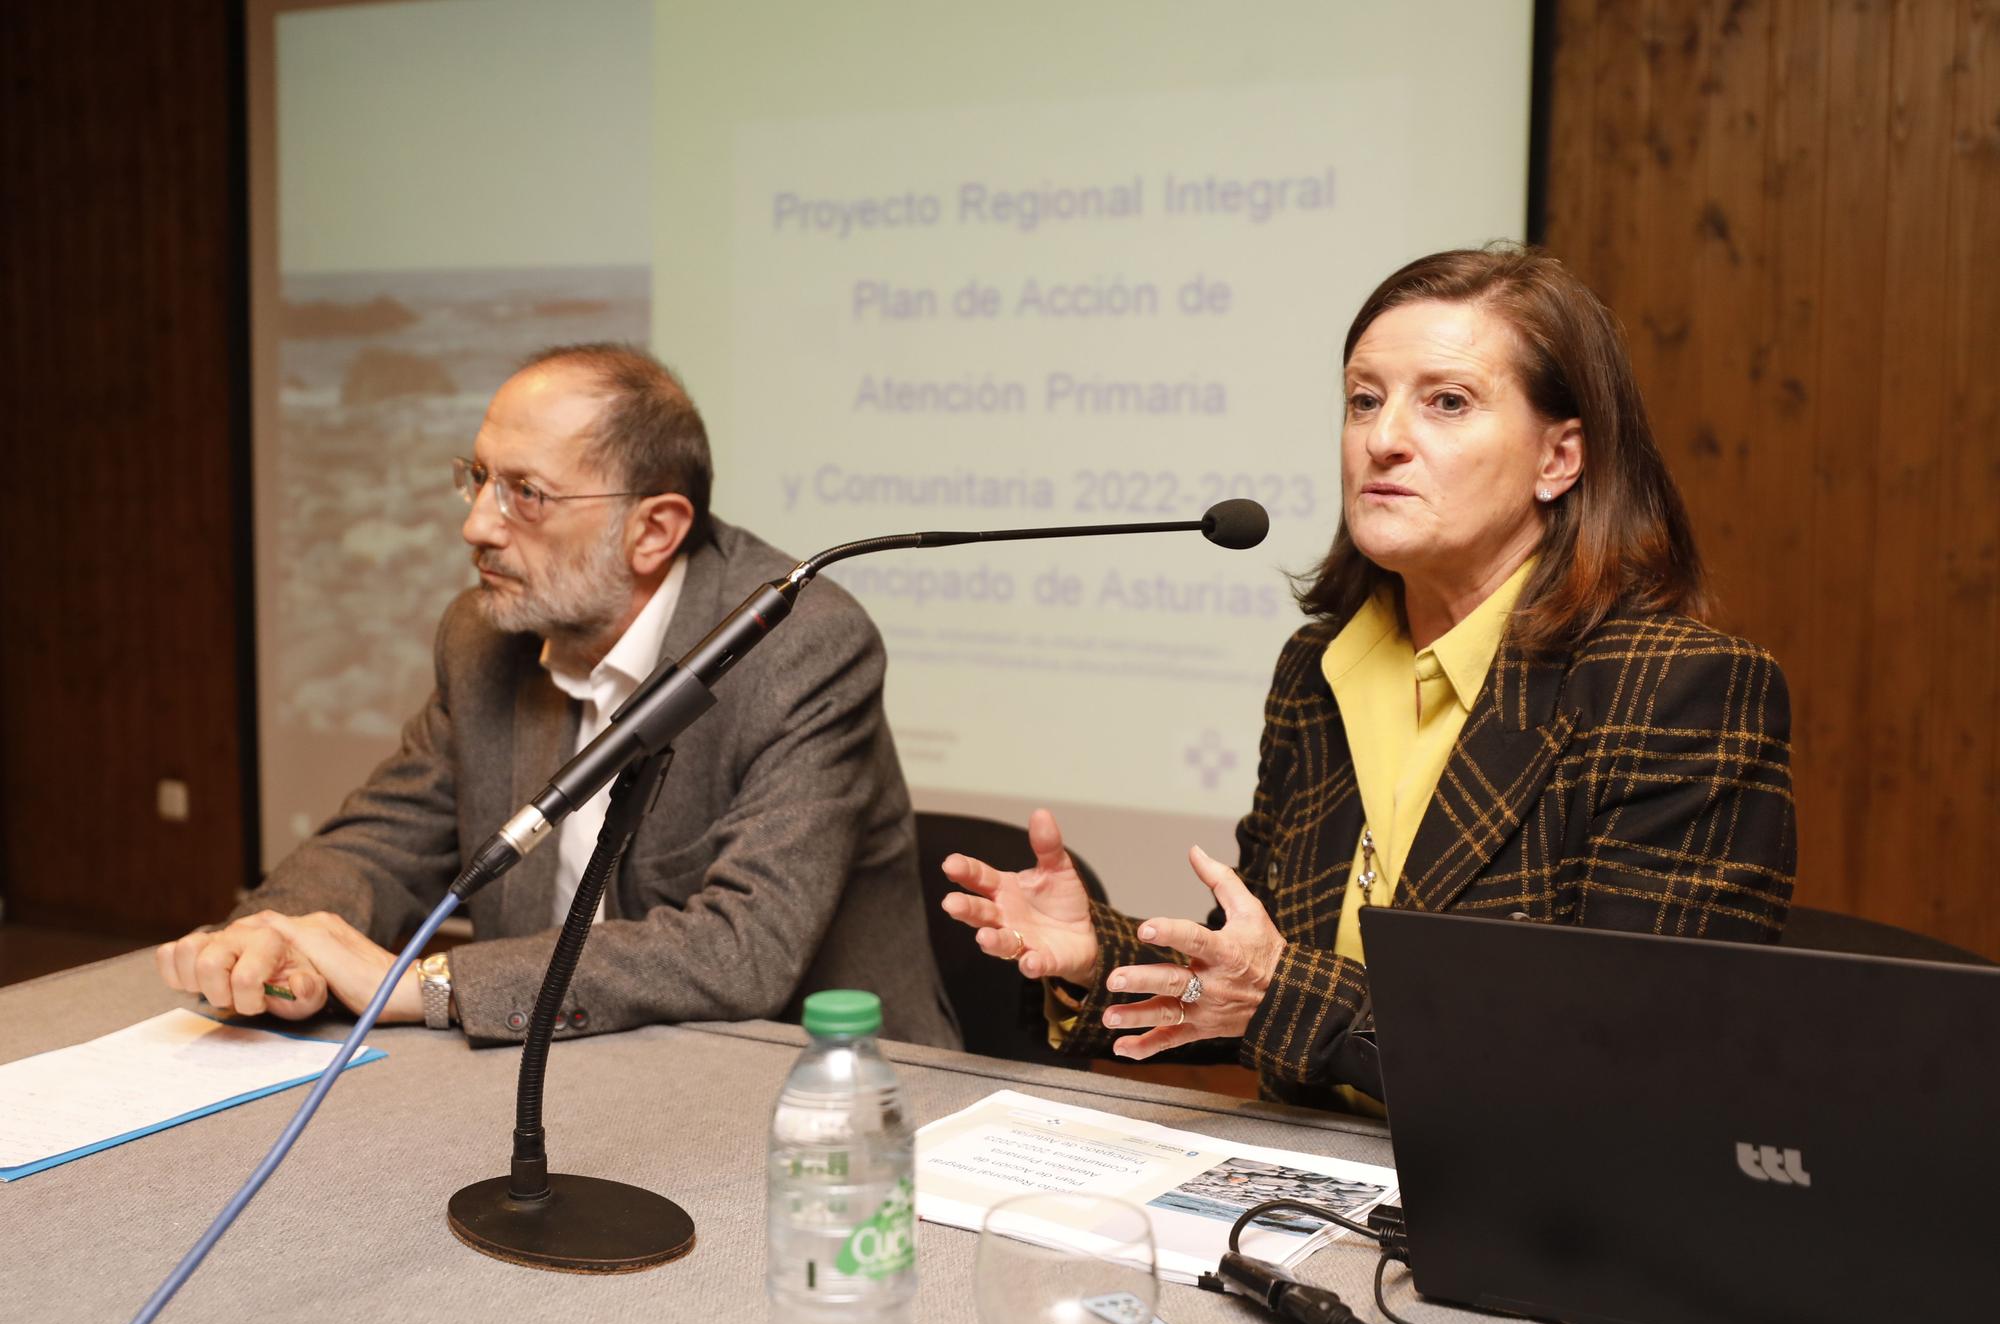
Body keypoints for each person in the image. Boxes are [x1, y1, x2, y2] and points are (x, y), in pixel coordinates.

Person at [940, 246, 1795, 1108]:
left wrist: (1279, 992)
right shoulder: (1320, 668)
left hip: (1531, 1215)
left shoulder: (1682, 691)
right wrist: (1098, 953)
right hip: (1310, 1195)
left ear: (1559, 459)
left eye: (1447, 402)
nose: (1383, 440)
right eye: (1363, 400)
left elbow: (1634, 1064)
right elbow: (1249, 982)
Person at [156, 344, 955, 1048]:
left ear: (654, 530)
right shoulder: (483, 636)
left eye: (524, 494)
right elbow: (381, 843)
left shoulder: (803, 644)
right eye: (478, 479)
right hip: (558, 1072)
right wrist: (273, 937)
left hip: (818, 1091)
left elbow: (739, 947)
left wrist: (427, 986)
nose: (476, 525)